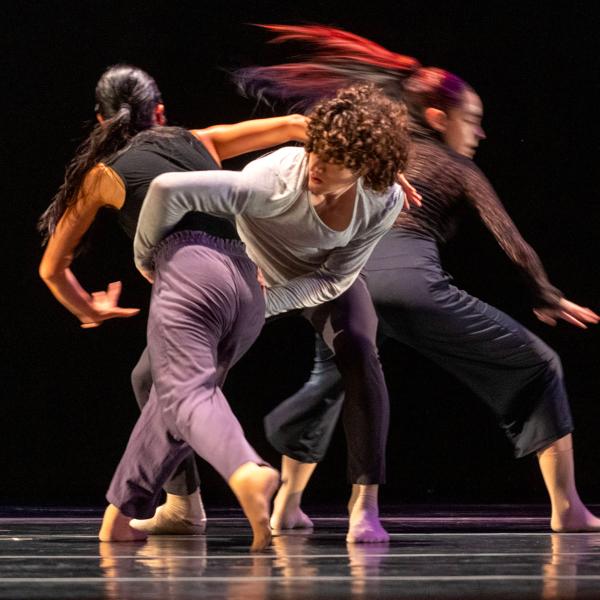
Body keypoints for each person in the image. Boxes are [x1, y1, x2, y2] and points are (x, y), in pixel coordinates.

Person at [237, 24, 600, 534]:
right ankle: (569, 510)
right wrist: (546, 294)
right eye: (472, 121)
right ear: (437, 117)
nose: (479, 133)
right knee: (539, 366)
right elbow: (512, 242)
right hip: (409, 286)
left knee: (331, 383)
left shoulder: (374, 151)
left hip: (341, 284)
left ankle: (286, 506)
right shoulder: (455, 165)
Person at [123, 82, 414, 544]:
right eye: (315, 148)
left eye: (335, 158)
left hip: (319, 279)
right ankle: (182, 504)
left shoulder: (382, 199)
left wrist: (269, 303)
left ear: (365, 168)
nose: (316, 163)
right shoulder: (274, 181)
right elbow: (167, 189)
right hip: (249, 271)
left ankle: (365, 506)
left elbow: (337, 277)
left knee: (360, 347)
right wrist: (147, 258)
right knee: (151, 376)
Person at [38, 63, 309, 538]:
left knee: (186, 393)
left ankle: (244, 470)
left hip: (193, 279)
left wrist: (90, 310)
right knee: (151, 379)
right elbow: (296, 126)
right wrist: (378, 172)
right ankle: (181, 505)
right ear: (159, 112)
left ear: (101, 121)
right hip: (249, 287)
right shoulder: (201, 140)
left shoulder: (101, 174)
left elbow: (51, 268)